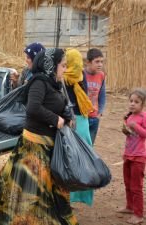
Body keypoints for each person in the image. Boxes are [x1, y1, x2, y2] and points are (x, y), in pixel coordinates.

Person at [0, 48, 78, 225]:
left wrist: (68, 117)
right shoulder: (39, 82)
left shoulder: (55, 83)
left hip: (49, 146)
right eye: (63, 66)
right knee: (31, 194)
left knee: (47, 192)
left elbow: (59, 105)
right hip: (34, 148)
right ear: (51, 66)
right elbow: (33, 108)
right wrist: (56, 119)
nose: (65, 69)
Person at [63, 48, 95, 206]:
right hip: (83, 120)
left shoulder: (63, 78)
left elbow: (64, 101)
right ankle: (79, 196)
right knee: (83, 157)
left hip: (71, 121)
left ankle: (68, 196)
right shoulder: (82, 76)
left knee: (69, 158)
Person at [117, 88, 146, 224]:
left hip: (139, 157)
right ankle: (129, 207)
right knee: (128, 183)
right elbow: (130, 134)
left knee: (136, 186)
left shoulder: (143, 117)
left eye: (136, 102)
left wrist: (136, 126)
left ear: (142, 104)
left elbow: (144, 134)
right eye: (131, 101)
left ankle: (139, 214)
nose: (133, 104)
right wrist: (126, 127)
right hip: (128, 155)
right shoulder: (130, 116)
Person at [84, 48, 106, 144]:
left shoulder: (101, 75)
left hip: (94, 116)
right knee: (81, 145)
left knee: (90, 145)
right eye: (97, 62)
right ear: (88, 62)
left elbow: (102, 94)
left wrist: (100, 112)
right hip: (83, 117)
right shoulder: (81, 75)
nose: (100, 64)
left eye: (101, 61)